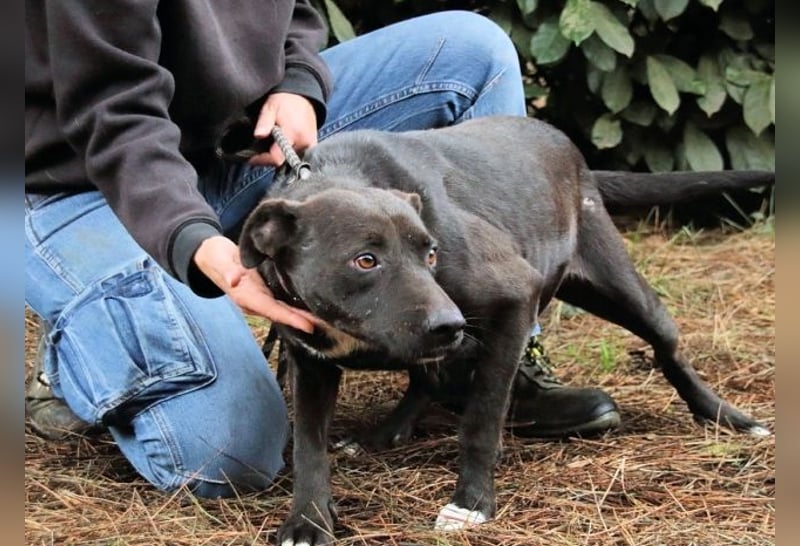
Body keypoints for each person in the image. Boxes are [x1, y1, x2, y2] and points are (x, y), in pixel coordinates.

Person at [25, 2, 620, 498]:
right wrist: (196, 240)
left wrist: (298, 85)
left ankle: (480, 363)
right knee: (224, 453)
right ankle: (81, 357)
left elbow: (296, 14)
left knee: (473, 49)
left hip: (230, 147)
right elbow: (114, 116)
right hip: (74, 180)